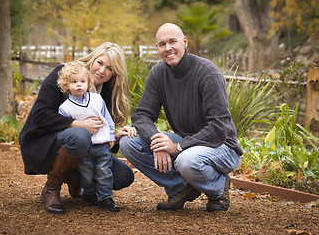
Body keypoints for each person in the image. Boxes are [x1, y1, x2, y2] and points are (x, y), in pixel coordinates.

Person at [120, 23, 243, 212]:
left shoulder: (207, 73)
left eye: (172, 41)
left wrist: (176, 147)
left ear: (184, 42)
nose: (168, 48)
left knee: (186, 160)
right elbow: (142, 115)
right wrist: (157, 142)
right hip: (187, 142)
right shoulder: (159, 73)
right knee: (129, 143)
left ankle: (218, 187)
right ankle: (182, 188)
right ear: (157, 48)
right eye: (162, 44)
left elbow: (219, 127)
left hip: (221, 145)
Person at [19, 42, 136, 214]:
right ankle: (52, 188)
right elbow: (40, 115)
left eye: (110, 69)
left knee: (123, 176)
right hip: (45, 141)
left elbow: (100, 131)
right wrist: (77, 124)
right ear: (92, 59)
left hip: (87, 149)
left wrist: (116, 135)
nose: (102, 71)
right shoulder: (65, 75)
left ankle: (74, 176)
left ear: (114, 74)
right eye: (100, 63)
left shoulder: (103, 92)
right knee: (80, 135)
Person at [57, 60, 120, 212]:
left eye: (82, 81)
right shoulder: (65, 108)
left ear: (88, 82)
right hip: (84, 149)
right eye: (74, 82)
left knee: (104, 172)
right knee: (87, 174)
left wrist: (111, 135)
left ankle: (106, 198)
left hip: (102, 145)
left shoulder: (97, 100)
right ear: (66, 85)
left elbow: (107, 119)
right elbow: (63, 127)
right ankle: (90, 195)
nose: (79, 85)